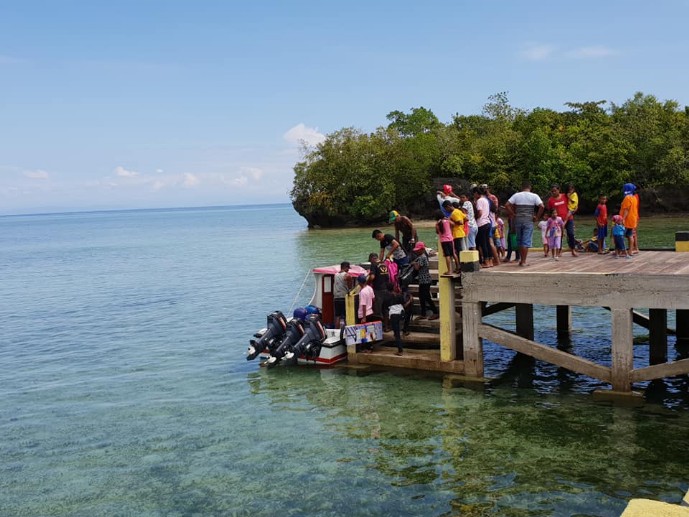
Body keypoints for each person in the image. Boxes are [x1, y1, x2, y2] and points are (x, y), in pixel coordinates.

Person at [504, 181, 544, 267]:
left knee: (520, 240)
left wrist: (513, 214)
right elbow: (542, 206)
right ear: (530, 187)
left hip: (518, 220)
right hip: (528, 220)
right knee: (526, 241)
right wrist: (537, 217)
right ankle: (523, 261)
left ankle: (521, 260)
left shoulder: (517, 195)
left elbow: (507, 205)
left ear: (522, 187)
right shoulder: (534, 196)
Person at [547, 184, 578, 257]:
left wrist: (574, 210)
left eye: (555, 191)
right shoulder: (550, 200)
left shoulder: (565, 196)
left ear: (559, 190)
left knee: (571, 234)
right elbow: (550, 211)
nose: (554, 192)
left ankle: (573, 250)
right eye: (552, 191)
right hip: (557, 221)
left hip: (569, 218)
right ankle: (559, 250)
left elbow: (573, 204)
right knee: (559, 236)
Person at [411, 241, 439, 320]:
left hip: (425, 280)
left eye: (418, 250)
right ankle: (423, 313)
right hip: (423, 280)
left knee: (426, 297)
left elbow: (417, 268)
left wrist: (414, 263)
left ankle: (435, 312)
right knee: (422, 297)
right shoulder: (422, 256)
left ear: (422, 249)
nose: (416, 251)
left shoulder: (422, 257)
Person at [381, 282, 408, 356]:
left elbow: (385, 308)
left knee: (397, 334)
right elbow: (404, 305)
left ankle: (400, 350)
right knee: (398, 331)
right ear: (393, 288)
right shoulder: (399, 295)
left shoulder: (386, 297)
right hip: (401, 314)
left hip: (394, 316)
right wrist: (410, 300)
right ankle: (405, 330)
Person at [474, 186, 496, 268]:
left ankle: (486, 261)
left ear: (476, 193)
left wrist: (474, 217)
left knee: (483, 244)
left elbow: (479, 212)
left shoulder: (479, 200)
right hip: (487, 222)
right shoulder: (486, 200)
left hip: (481, 223)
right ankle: (490, 261)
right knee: (487, 243)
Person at [368, 253, 390, 326]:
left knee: (378, 309)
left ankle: (379, 328)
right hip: (386, 289)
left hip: (378, 290)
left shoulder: (373, 265)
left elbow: (372, 277)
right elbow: (387, 277)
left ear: (371, 259)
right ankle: (386, 326)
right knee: (385, 308)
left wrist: (366, 283)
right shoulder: (384, 264)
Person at [436, 208, 459, 274]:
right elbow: (454, 224)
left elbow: (437, 232)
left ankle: (449, 270)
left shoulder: (438, 223)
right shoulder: (447, 221)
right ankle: (458, 267)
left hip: (443, 241)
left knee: (447, 255)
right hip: (450, 239)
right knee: (454, 254)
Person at [620, 183, 639, 255]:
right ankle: (630, 251)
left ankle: (622, 251)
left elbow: (626, 209)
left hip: (627, 220)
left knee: (620, 235)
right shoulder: (634, 198)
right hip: (632, 220)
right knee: (630, 235)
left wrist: (623, 219)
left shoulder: (627, 198)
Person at [333, 261, 352, 329]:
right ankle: (346, 330)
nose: (348, 270)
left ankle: (337, 330)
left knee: (337, 316)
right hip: (343, 298)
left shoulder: (335, 275)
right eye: (348, 268)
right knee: (345, 316)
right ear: (345, 267)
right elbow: (350, 287)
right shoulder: (347, 275)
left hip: (336, 298)